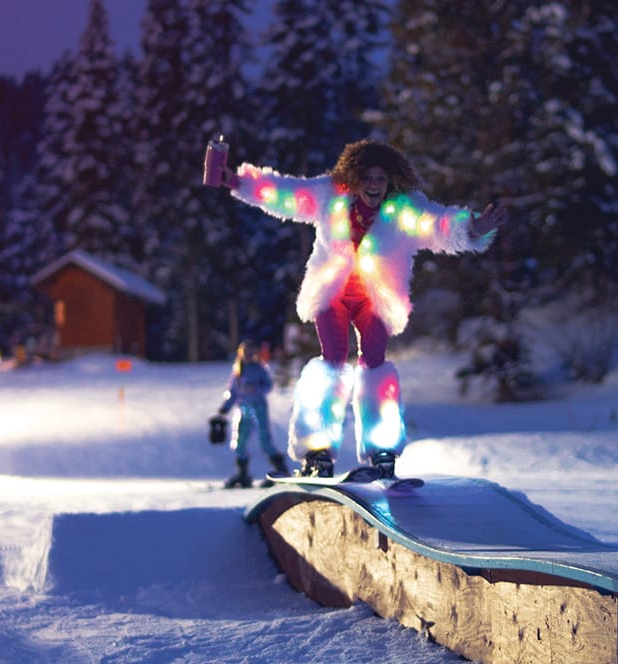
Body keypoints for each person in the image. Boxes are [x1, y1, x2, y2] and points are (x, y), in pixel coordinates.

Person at [212, 139, 508, 478]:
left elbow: (437, 224)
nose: (374, 185)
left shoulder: (404, 209)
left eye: (380, 178)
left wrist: (472, 228)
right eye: (367, 177)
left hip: (376, 297)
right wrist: (237, 182)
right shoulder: (331, 195)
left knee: (375, 363)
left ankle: (382, 450)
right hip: (333, 294)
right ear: (353, 177)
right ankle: (316, 450)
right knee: (332, 359)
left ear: (390, 180)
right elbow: (287, 194)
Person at [218, 340, 286, 488]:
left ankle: (281, 470)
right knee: (240, 440)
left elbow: (268, 385)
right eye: (246, 352)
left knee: (264, 439)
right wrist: (225, 408)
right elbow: (233, 391)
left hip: (258, 406)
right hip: (243, 408)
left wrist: (255, 389)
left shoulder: (259, 369)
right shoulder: (238, 371)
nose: (248, 355)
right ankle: (242, 474)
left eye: (251, 352)